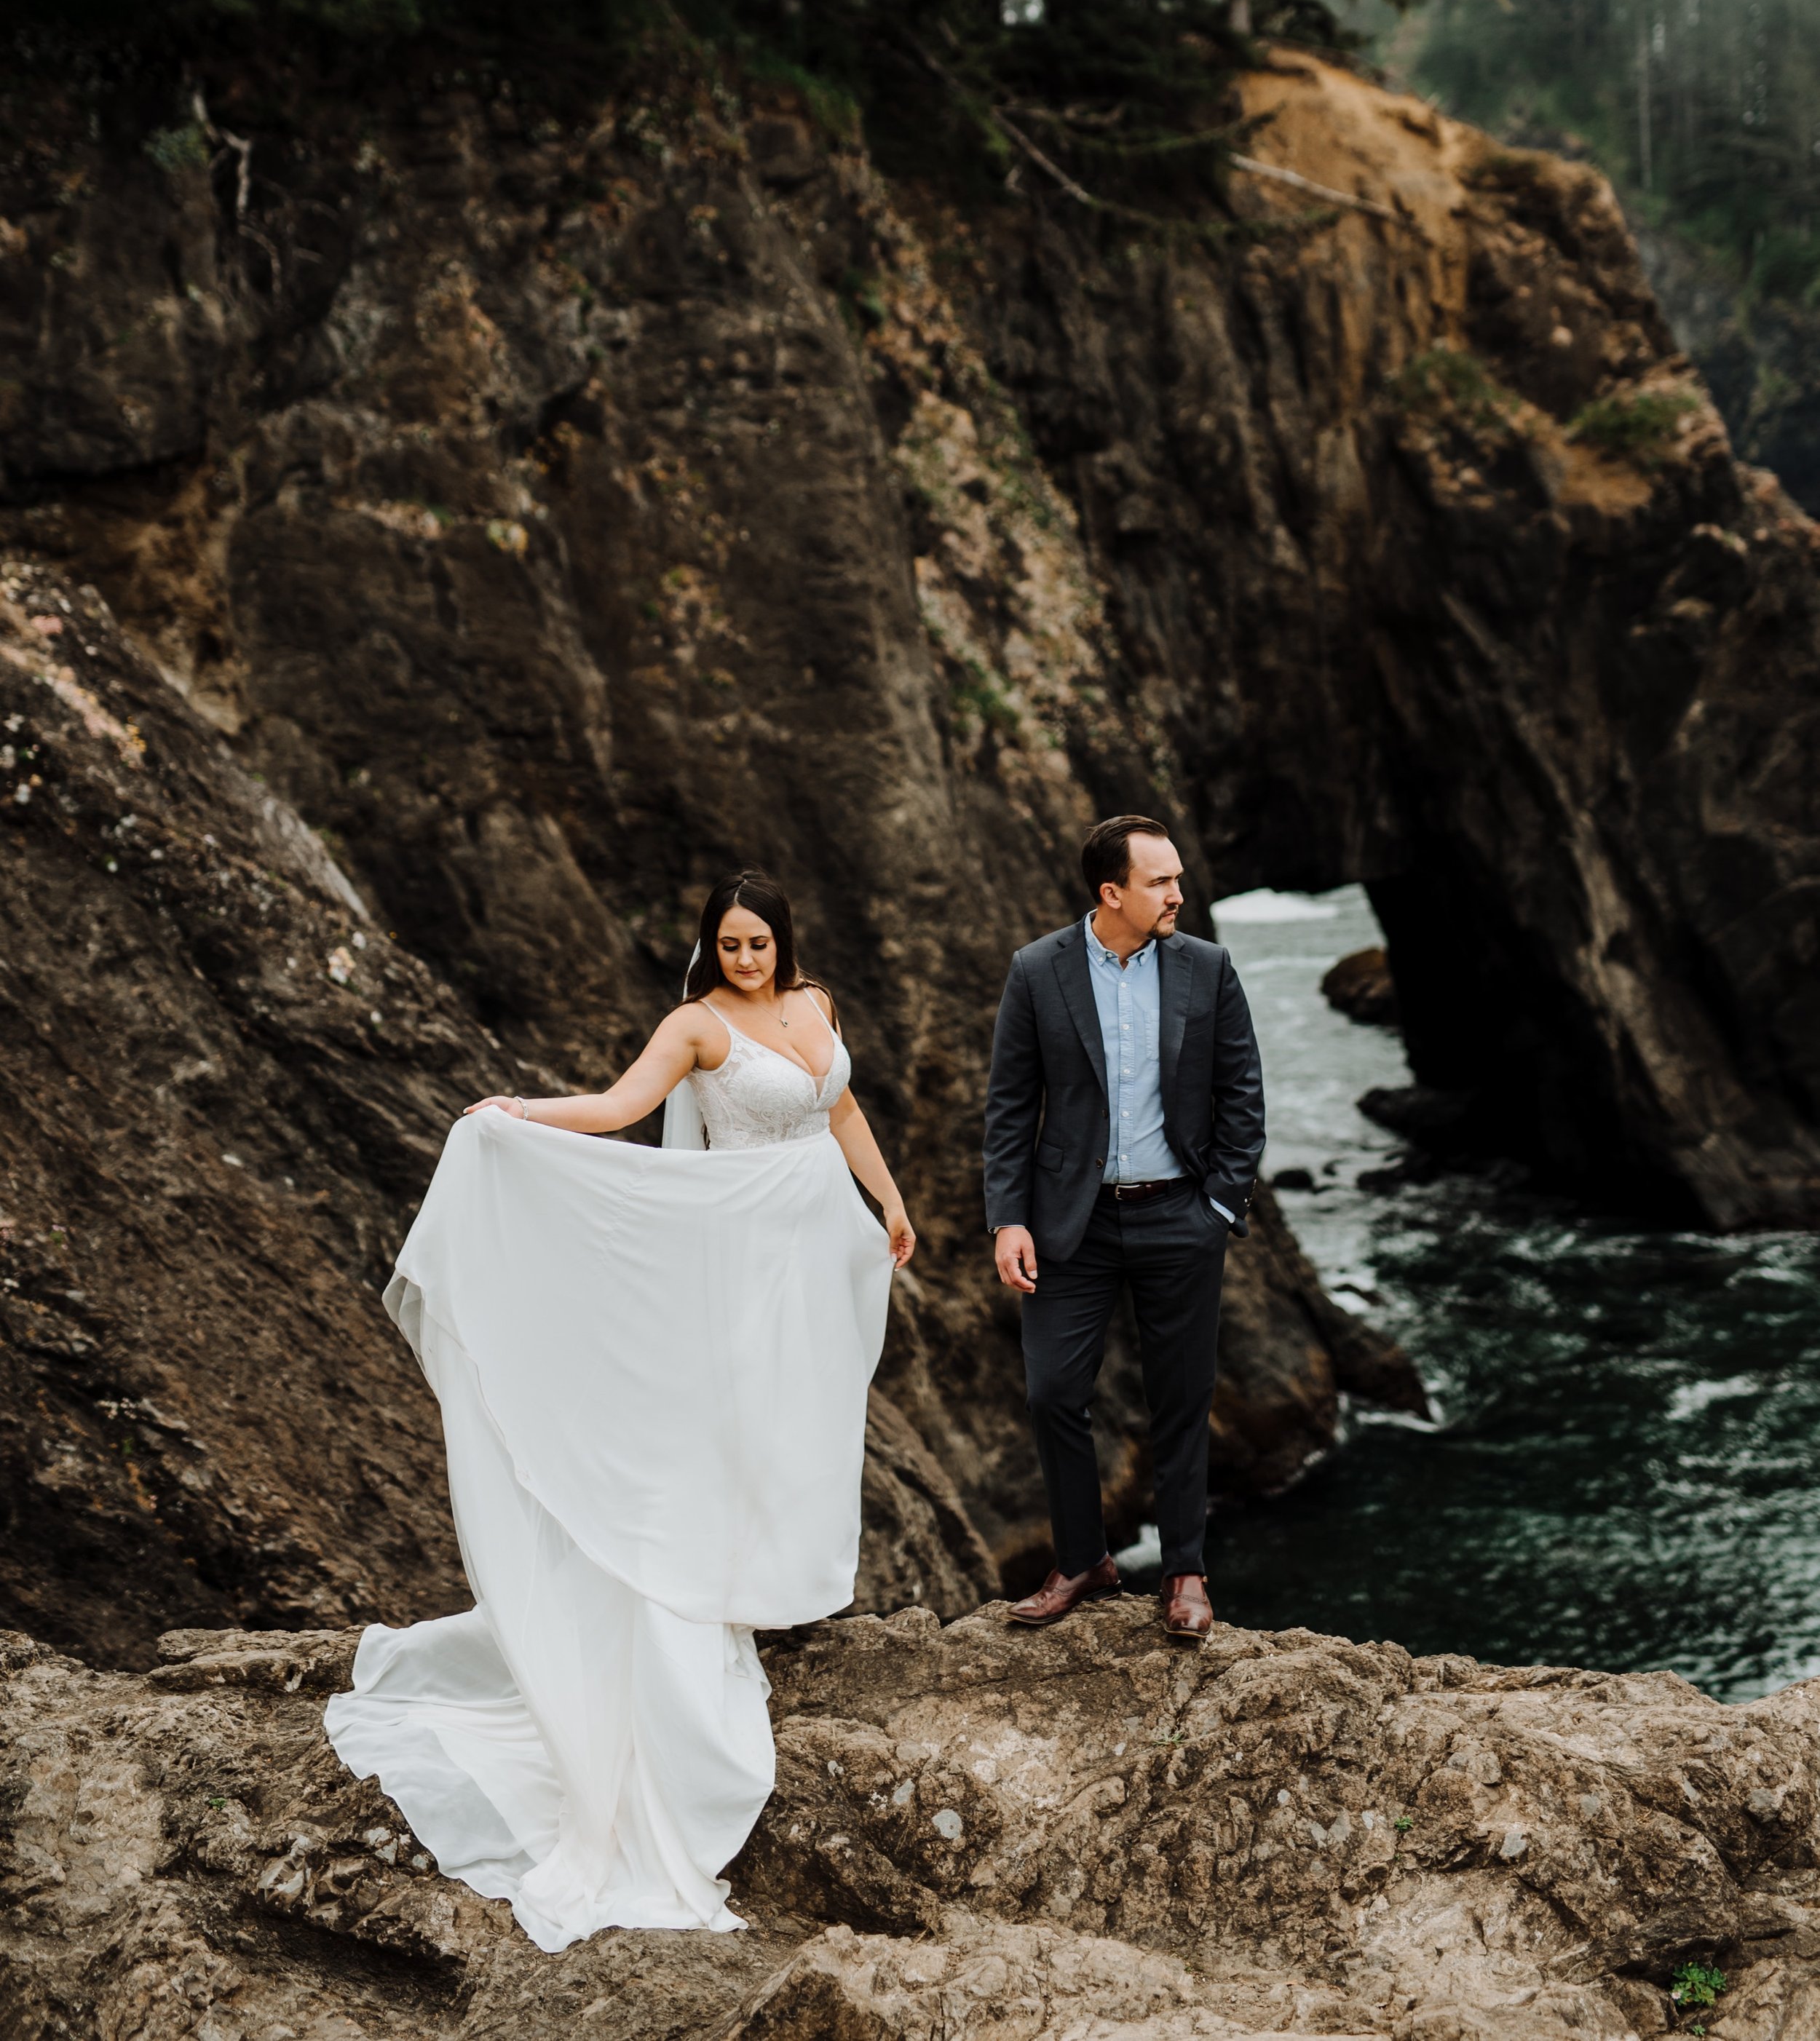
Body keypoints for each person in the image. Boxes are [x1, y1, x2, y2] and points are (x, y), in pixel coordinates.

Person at [323, 868, 914, 1951]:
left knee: (790, 1428)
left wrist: (887, 1195)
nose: (746, 959)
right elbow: (618, 1107)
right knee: (718, 1430)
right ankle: (691, 1608)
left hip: (811, 1245)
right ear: (711, 948)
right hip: (734, 1254)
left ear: (784, 941)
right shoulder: (694, 1024)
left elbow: (840, 1106)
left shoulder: (816, 1005)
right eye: (729, 945)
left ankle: (738, 1583)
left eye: (758, 943)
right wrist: (516, 1113)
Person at [984, 815, 1265, 1642]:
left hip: (1180, 1213)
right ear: (1111, 893)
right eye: (1160, 882)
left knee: (1182, 1397)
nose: (1178, 894)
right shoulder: (1037, 970)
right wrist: (1008, 1220)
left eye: (1177, 878)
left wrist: (1218, 1202)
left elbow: (1241, 1093)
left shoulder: (1206, 968)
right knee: (1053, 1393)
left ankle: (1184, 1570)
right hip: (1069, 1224)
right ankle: (1083, 1560)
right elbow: (1008, 1108)